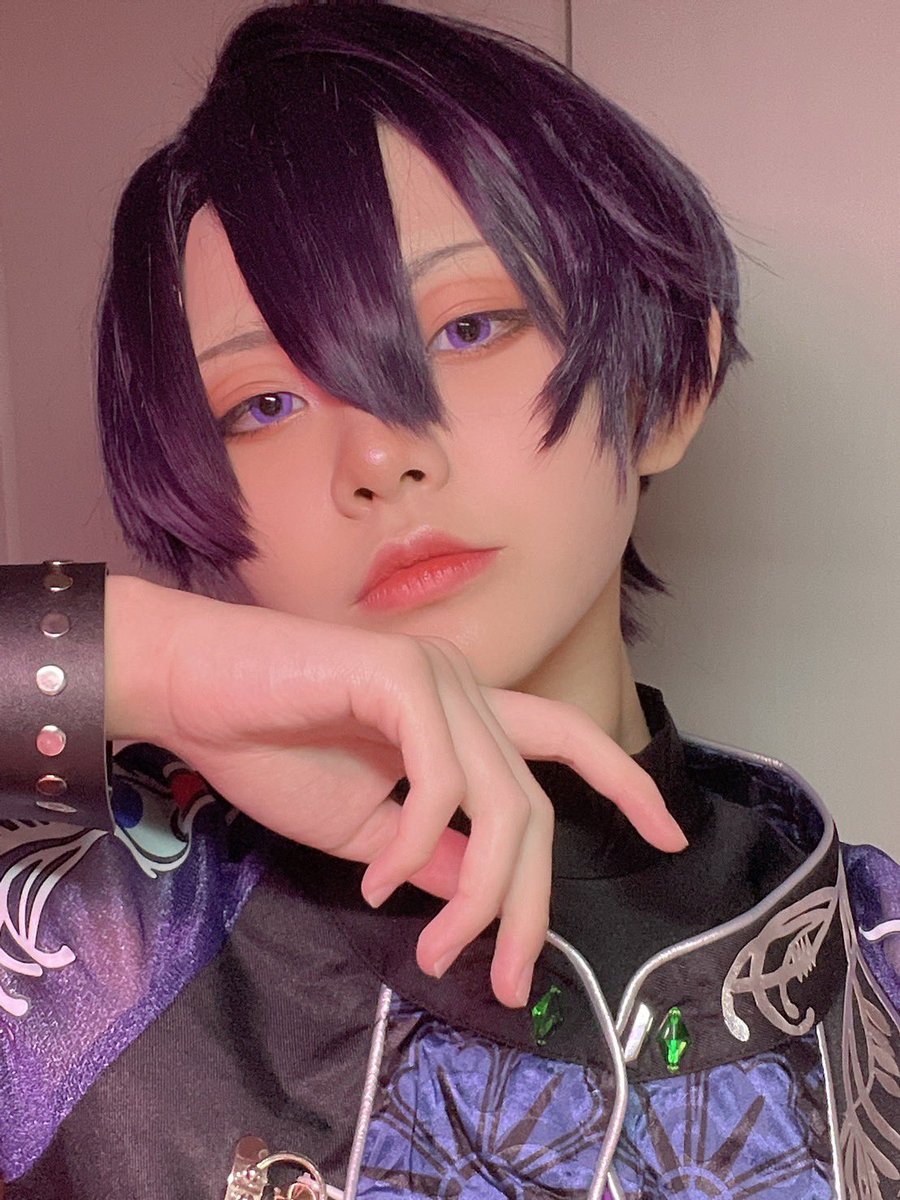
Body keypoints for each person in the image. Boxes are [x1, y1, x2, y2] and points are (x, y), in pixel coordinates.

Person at [0, 3, 897, 1198]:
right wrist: (149, 661)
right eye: (262, 406)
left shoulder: (878, 969)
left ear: (670, 382)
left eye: (469, 327)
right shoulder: (85, 950)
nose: (375, 456)